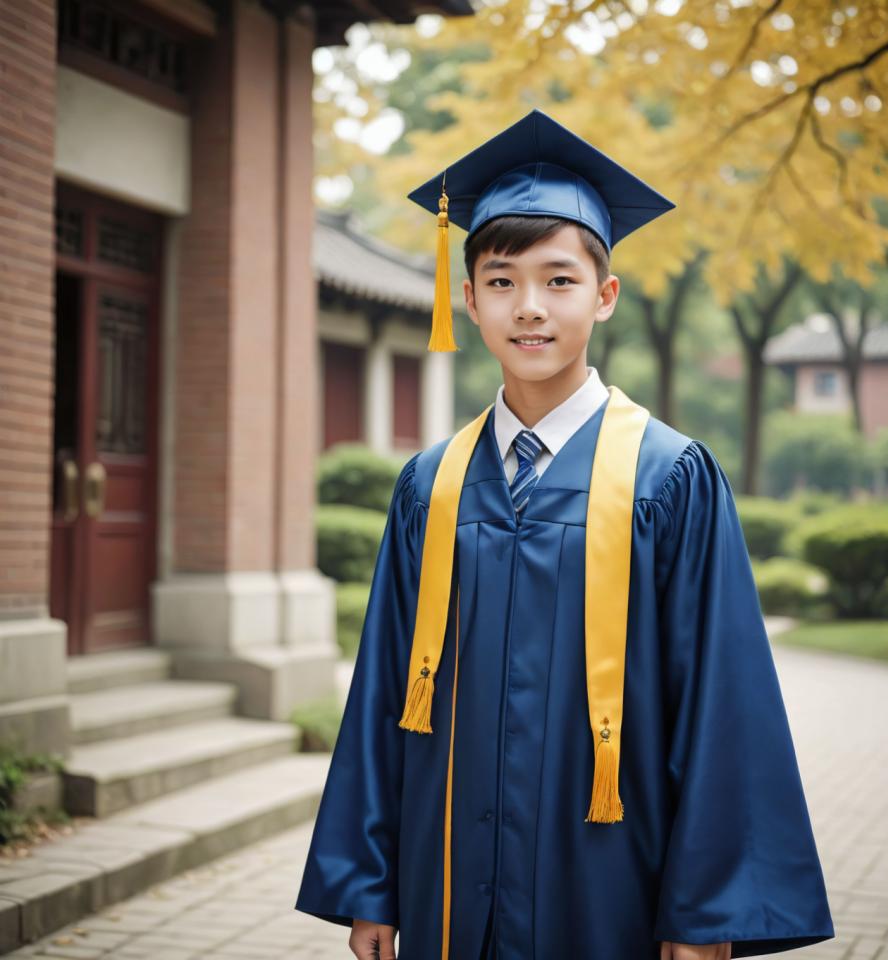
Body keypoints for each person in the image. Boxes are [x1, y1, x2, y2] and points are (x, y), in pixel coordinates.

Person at [295, 108, 835, 960]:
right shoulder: (429, 487)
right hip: (447, 882)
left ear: (605, 295)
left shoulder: (669, 479)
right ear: (467, 298)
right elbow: (383, 697)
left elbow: (721, 706)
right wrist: (371, 888)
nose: (530, 309)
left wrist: (704, 917)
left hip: (611, 879)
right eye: (503, 282)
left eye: (559, 280)